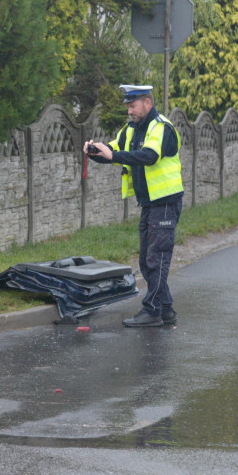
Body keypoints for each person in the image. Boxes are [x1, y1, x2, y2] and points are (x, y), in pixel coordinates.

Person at [84, 84, 184, 328]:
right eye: (128, 107)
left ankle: (152, 311)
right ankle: (166, 309)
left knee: (156, 259)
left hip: (166, 202)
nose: (129, 111)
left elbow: (149, 156)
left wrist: (114, 156)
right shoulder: (131, 129)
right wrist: (94, 151)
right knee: (146, 260)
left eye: (133, 106)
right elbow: (113, 150)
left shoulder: (161, 127)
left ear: (147, 103)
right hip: (149, 204)